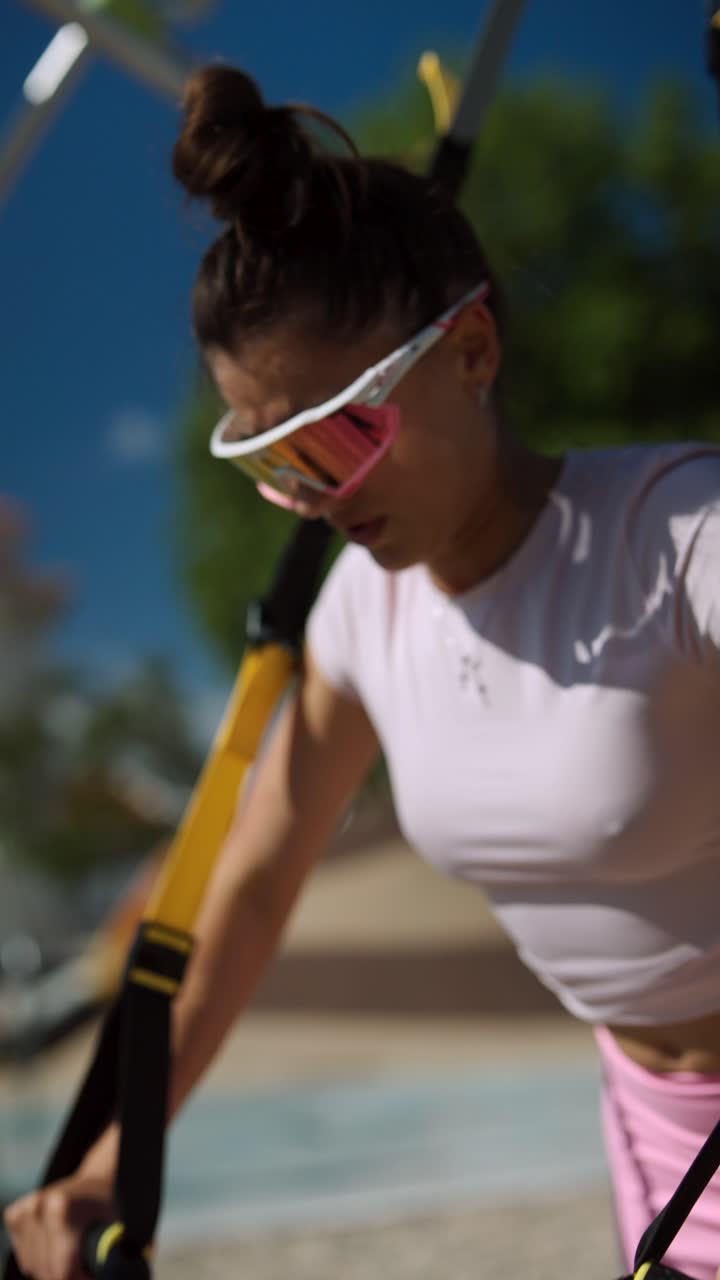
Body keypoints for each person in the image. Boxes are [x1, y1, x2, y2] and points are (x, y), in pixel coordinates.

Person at [6, 62, 720, 1280]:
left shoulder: (682, 534)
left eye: (340, 434)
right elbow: (252, 886)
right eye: (270, 461)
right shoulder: (358, 617)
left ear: (475, 348)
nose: (311, 498)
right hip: (646, 1131)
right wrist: (115, 1155)